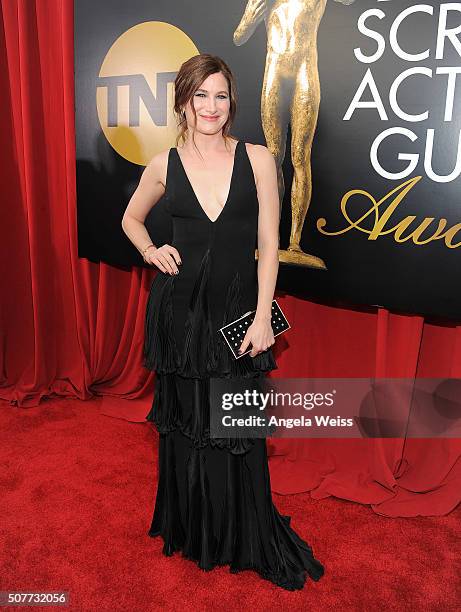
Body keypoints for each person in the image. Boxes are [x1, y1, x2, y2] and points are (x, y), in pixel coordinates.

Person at [121, 53, 324, 590]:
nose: (211, 106)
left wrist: (263, 318)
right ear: (183, 103)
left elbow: (268, 245)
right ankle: (193, 531)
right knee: (188, 424)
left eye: (220, 96)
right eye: (200, 95)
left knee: (237, 427)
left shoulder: (258, 159)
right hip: (179, 314)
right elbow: (130, 217)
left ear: (231, 103)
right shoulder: (164, 164)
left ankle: (243, 533)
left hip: (238, 315)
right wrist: (150, 250)